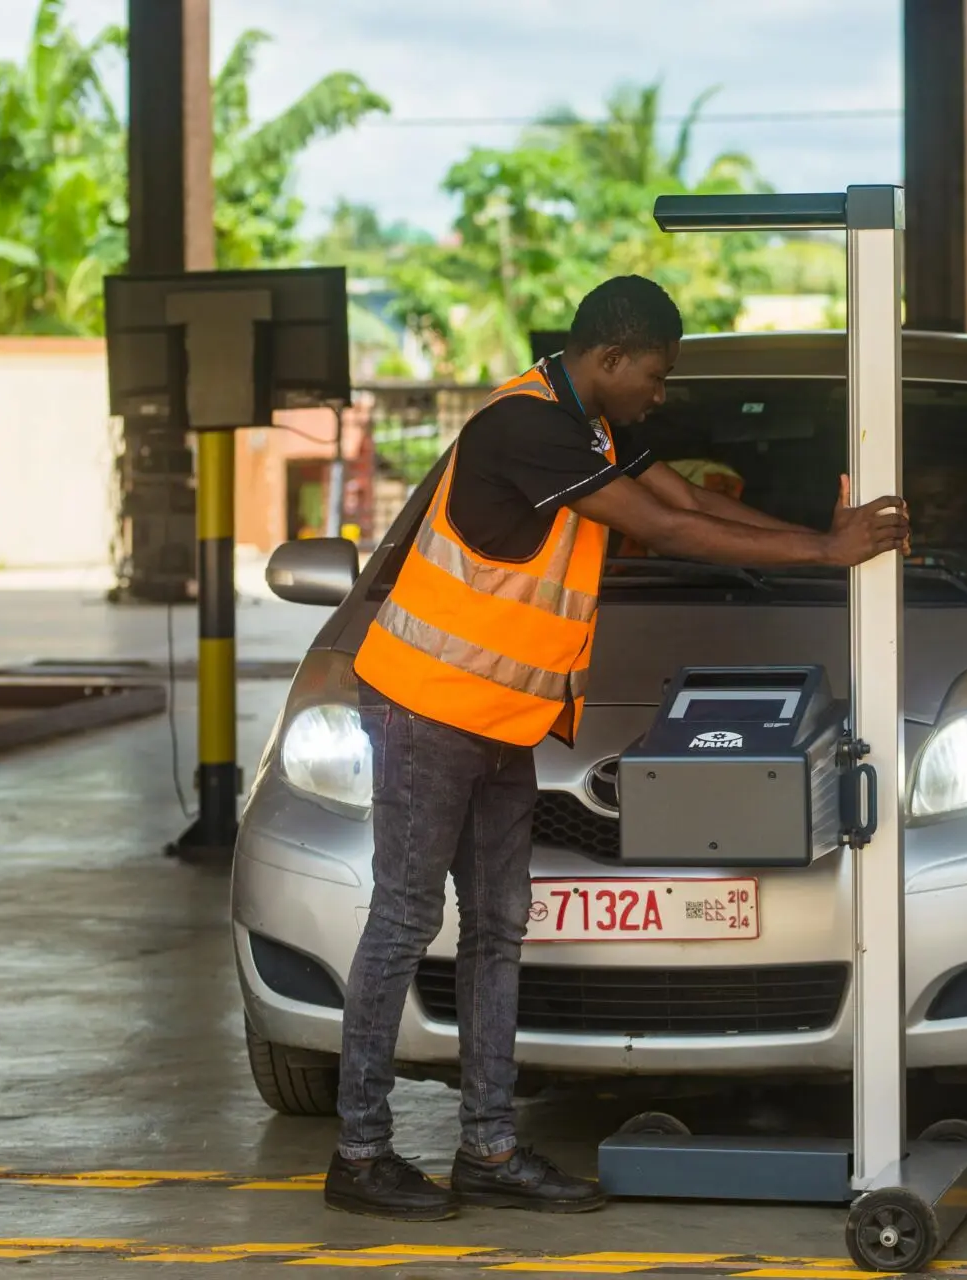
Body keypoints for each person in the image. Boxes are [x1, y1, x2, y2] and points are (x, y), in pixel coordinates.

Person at [329, 275, 909, 1220]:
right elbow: (668, 527)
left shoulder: (590, 425)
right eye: (656, 374)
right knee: (401, 923)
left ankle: (489, 1147)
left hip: (502, 722)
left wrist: (820, 535)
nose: (662, 393)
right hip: (424, 708)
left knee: (497, 930)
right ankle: (359, 1154)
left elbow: (675, 489)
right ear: (607, 359)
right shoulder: (521, 427)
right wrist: (823, 558)